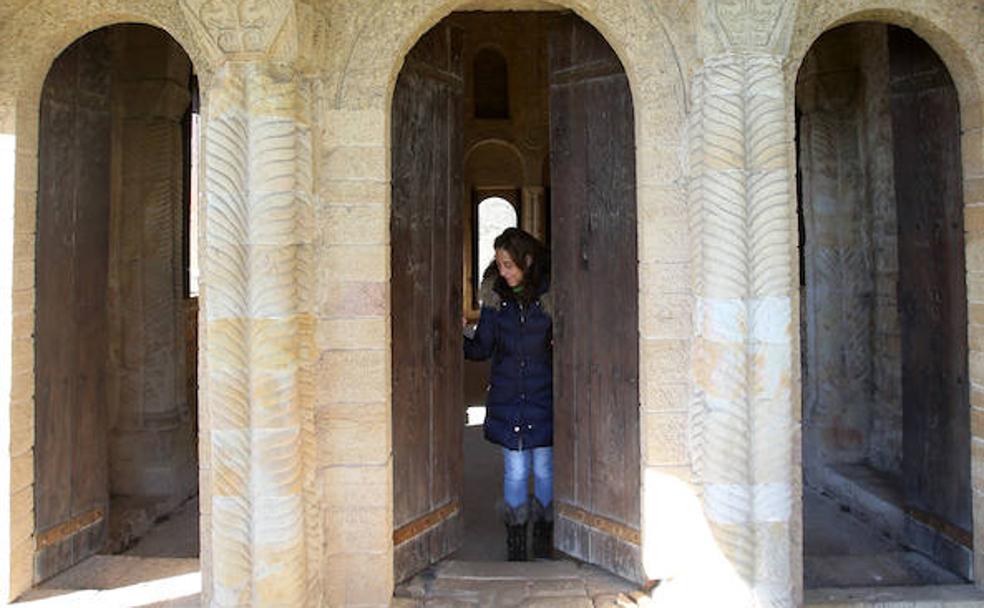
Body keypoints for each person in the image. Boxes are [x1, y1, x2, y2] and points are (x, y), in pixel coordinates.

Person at [463, 227, 553, 561]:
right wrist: (454, 339)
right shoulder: (495, 300)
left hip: (543, 395)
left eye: (509, 264)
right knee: (515, 470)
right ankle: (516, 543)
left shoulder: (548, 298)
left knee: (544, 469)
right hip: (507, 396)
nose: (503, 272)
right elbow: (482, 347)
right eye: (499, 264)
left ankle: (543, 538)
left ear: (527, 262)